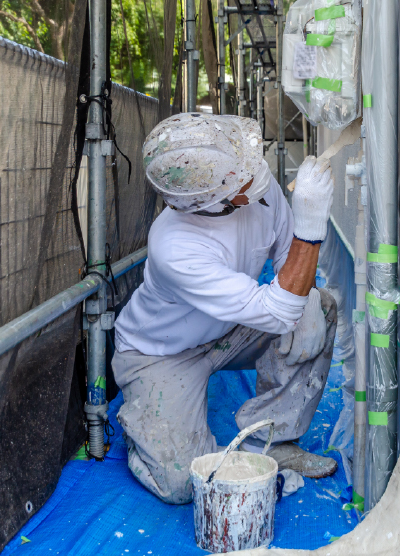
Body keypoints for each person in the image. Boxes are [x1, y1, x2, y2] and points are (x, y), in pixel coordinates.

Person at [111, 112, 338, 505]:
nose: (253, 170)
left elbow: (290, 260)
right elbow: (279, 309)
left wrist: (311, 301)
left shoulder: (257, 191)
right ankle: (144, 430)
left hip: (229, 331)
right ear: (211, 199)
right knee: (184, 484)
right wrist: (312, 225)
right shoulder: (175, 247)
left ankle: (274, 441)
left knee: (322, 306)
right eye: (238, 172)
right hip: (160, 353)